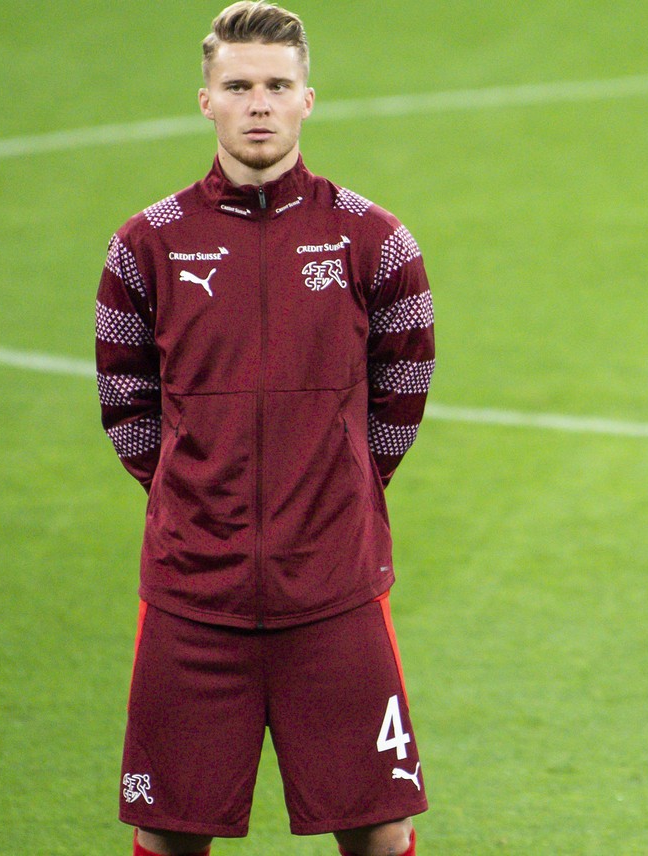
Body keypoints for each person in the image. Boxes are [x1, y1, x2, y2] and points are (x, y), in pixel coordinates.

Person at [95, 3, 434, 854]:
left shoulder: (374, 240)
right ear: (205, 99)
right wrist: (198, 491)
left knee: (379, 832)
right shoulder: (146, 245)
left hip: (334, 591)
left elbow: (405, 387)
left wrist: (337, 481)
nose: (258, 103)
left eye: (276, 86)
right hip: (192, 596)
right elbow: (125, 402)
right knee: (170, 833)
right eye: (238, 85)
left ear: (307, 100)